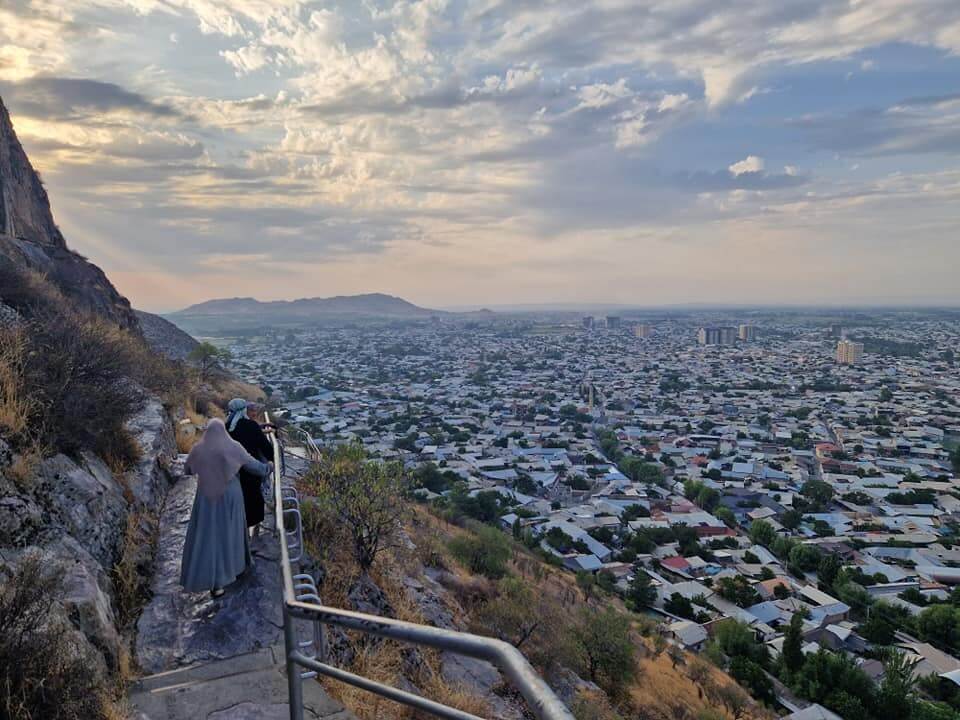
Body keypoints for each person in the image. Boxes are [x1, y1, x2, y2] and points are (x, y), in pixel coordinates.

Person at [180, 418, 271, 598]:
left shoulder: (199, 448)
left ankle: (215, 583)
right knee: (230, 532)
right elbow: (255, 468)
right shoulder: (233, 447)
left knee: (208, 536)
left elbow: (188, 469)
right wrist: (268, 467)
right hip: (231, 496)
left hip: (205, 496)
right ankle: (234, 569)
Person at [225, 397, 274, 537]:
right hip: (250, 474)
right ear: (244, 410)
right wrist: (269, 461)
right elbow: (267, 449)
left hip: (230, 475)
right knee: (251, 506)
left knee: (235, 509)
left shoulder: (225, 428)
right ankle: (250, 538)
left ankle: (238, 536)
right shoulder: (251, 426)